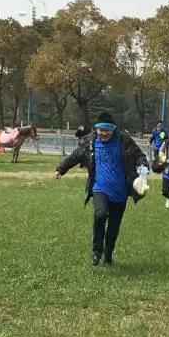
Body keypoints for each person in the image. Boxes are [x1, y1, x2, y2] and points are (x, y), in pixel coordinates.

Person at [55, 112, 148, 266]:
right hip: (100, 188)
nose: (104, 133)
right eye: (101, 130)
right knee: (100, 214)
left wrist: (143, 167)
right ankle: (97, 251)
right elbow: (76, 155)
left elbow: (139, 156)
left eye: (107, 130)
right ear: (96, 129)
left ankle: (108, 254)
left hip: (120, 191)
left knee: (113, 226)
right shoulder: (90, 142)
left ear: (113, 129)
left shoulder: (123, 140)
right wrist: (61, 169)